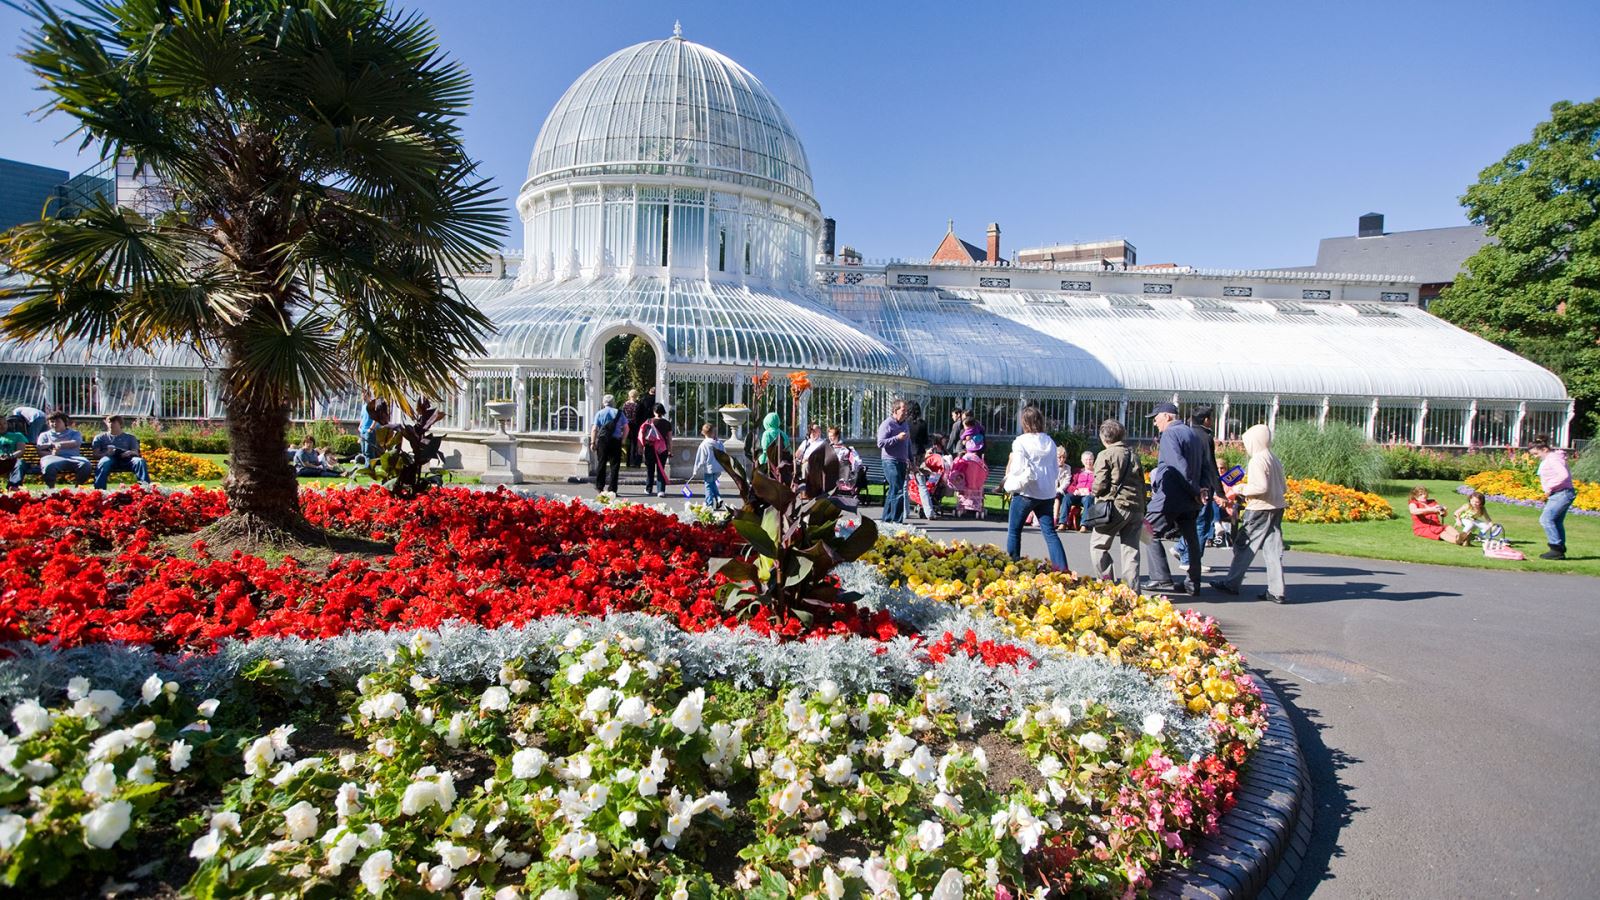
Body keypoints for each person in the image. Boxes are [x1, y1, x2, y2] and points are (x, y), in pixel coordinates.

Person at [1209, 424, 1288, 603]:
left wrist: (1239, 488)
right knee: (1273, 549)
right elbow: (1282, 487)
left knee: (1243, 546)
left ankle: (1232, 583)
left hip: (1259, 508)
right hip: (1276, 507)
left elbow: (1260, 487)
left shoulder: (1257, 460)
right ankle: (1277, 590)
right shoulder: (1274, 459)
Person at [1144, 402, 1205, 595]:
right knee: (1191, 537)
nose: (1155, 423)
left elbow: (1177, 465)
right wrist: (1201, 489)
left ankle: (1160, 577)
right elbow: (1205, 465)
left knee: (1146, 530)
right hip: (1189, 498)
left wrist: (1195, 489)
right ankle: (1193, 582)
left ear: (1168, 416)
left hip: (1171, 496)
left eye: (1156, 418)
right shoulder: (1193, 434)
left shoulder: (1170, 434)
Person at [1003, 406, 1068, 571]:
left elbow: (1017, 468)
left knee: (1014, 531)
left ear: (1024, 422)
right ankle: (1062, 569)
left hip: (1026, 492)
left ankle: (1012, 567)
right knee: (1050, 534)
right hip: (1046, 493)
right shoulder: (1050, 442)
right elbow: (1055, 469)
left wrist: (1011, 481)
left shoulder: (1021, 442)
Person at [1090, 418, 1145, 589]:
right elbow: (1141, 482)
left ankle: (1107, 585)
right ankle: (1131, 591)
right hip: (1136, 507)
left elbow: (1100, 484)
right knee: (1131, 551)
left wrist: (1093, 493)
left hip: (1115, 507)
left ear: (1104, 437)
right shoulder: (1133, 455)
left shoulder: (1106, 454)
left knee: (1098, 545)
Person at [1176, 406, 1224, 572]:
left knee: (1193, 520)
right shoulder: (1205, 436)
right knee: (1202, 523)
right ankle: (1191, 559)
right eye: (1210, 418)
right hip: (1203, 486)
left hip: (1188, 484)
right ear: (1205, 420)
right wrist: (1220, 492)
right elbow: (1211, 466)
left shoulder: (1187, 433)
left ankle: (1181, 547)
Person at [1530, 435, 1574, 560]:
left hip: (1562, 493)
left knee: (1546, 519)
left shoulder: (1553, 459)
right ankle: (1559, 549)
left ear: (1544, 449)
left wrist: (1549, 486)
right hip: (1561, 493)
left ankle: (1556, 549)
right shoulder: (1550, 459)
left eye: (1536, 453)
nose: (1535, 457)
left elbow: (1563, 475)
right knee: (1556, 521)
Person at [91, 415, 152, 489]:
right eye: (109, 422)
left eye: (113, 422)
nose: (111, 424)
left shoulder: (130, 437)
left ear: (120, 424)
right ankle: (99, 490)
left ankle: (145, 489)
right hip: (109, 458)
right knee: (104, 462)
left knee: (139, 461)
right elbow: (96, 454)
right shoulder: (100, 437)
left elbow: (136, 452)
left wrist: (129, 452)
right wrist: (107, 453)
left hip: (127, 459)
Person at [36, 412, 93, 487]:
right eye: (52, 422)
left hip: (73, 457)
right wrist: (52, 453)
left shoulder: (74, 433)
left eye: (58, 421)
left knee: (85, 464)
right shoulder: (44, 435)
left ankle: (78, 488)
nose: (55, 424)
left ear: (65, 422)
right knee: (49, 465)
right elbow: (40, 448)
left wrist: (59, 444)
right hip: (52, 458)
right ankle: (50, 490)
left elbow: (75, 442)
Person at [876, 400, 911, 523]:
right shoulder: (887, 424)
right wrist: (897, 438)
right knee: (898, 490)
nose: (906, 413)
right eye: (903, 410)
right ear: (895, 411)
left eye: (906, 410)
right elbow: (880, 443)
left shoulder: (905, 424)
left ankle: (886, 520)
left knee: (894, 490)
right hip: (890, 460)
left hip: (901, 460)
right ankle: (896, 521)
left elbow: (908, 443)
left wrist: (911, 460)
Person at [591, 394, 626, 493]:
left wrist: (592, 442)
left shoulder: (599, 413)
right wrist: (623, 439)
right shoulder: (619, 413)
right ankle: (612, 489)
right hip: (615, 440)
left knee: (601, 463)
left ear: (603, 402)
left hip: (603, 440)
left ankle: (599, 487)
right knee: (614, 465)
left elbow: (594, 429)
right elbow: (627, 427)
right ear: (613, 402)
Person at [639, 403, 673, 496]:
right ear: (663, 412)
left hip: (650, 448)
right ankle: (661, 490)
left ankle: (648, 489)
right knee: (661, 469)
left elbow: (641, 435)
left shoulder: (648, 421)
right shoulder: (667, 423)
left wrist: (641, 447)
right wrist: (670, 450)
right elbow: (669, 439)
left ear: (654, 411)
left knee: (650, 470)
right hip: (662, 449)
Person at [828, 426, 864, 510]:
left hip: (841, 472)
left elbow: (856, 460)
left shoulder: (845, 448)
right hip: (830, 471)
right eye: (829, 436)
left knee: (844, 465)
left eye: (831, 436)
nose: (830, 438)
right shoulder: (828, 447)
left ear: (837, 436)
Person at [906, 402, 931, 519]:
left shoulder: (905, 424)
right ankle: (929, 511)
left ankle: (905, 512)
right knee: (922, 484)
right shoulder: (923, 424)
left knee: (904, 484)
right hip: (919, 454)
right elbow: (926, 440)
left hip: (907, 454)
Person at [690, 423, 725, 507]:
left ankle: (709, 503)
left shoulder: (704, 444)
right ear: (713, 432)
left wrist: (695, 470)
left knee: (708, 485)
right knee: (712, 483)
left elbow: (700, 459)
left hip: (709, 468)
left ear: (703, 432)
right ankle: (718, 498)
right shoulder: (719, 443)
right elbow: (724, 453)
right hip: (718, 468)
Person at [1064, 450, 1096, 531]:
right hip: (1077, 495)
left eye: (1090, 459)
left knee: (1088, 499)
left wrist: (1092, 491)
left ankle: (1084, 525)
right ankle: (1062, 523)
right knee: (1067, 497)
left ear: (1093, 460)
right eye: (1086, 460)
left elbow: (1099, 485)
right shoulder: (1077, 472)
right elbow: (1070, 486)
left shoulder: (1096, 473)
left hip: (1089, 495)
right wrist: (1075, 490)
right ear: (1082, 461)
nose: (1088, 462)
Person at [1, 413, 31, 488]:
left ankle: (13, 488)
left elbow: (21, 450)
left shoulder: (17, 435)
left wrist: (11, 456)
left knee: (20, 463)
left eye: (4, 423)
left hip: (13, 460)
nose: (3, 426)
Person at [621, 389, 643, 468]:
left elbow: (622, 415)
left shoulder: (625, 404)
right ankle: (634, 461)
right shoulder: (638, 405)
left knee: (628, 443)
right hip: (635, 426)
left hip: (627, 425)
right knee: (635, 443)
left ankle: (628, 462)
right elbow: (640, 417)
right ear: (636, 395)